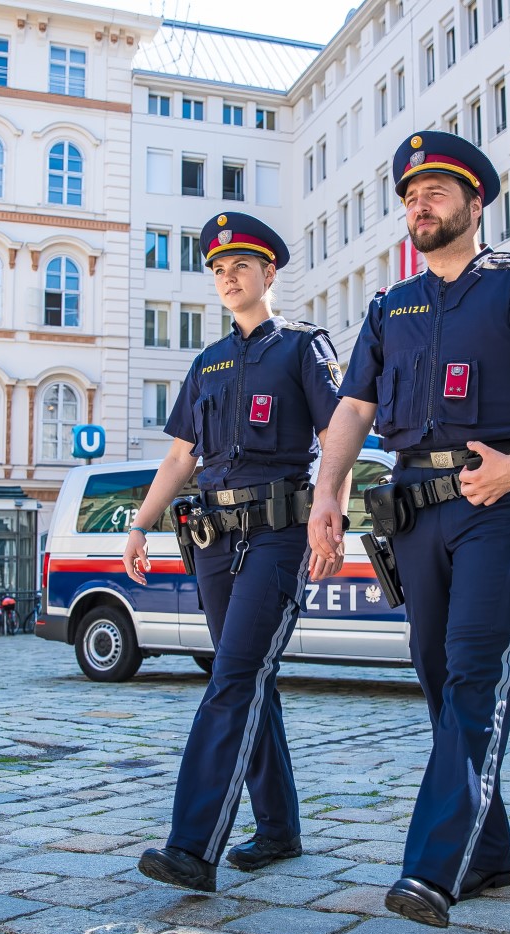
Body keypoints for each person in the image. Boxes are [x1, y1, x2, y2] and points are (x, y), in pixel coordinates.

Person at [309, 131, 510, 927]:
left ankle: (432, 870)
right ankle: (489, 852)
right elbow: (353, 410)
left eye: (435, 191)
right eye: (409, 195)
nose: (419, 205)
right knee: (440, 680)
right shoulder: (389, 306)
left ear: (476, 202)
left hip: (493, 504)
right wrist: (326, 495)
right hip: (411, 512)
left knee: (474, 672)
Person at [127, 212, 349, 893]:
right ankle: (278, 828)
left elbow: (339, 431)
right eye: (219, 271)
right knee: (249, 678)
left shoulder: (303, 348)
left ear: (268, 273)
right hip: (215, 545)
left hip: (278, 536)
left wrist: (328, 511)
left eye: (240, 268)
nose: (228, 278)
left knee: (232, 678)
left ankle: (191, 845)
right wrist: (140, 524)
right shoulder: (208, 362)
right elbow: (180, 455)